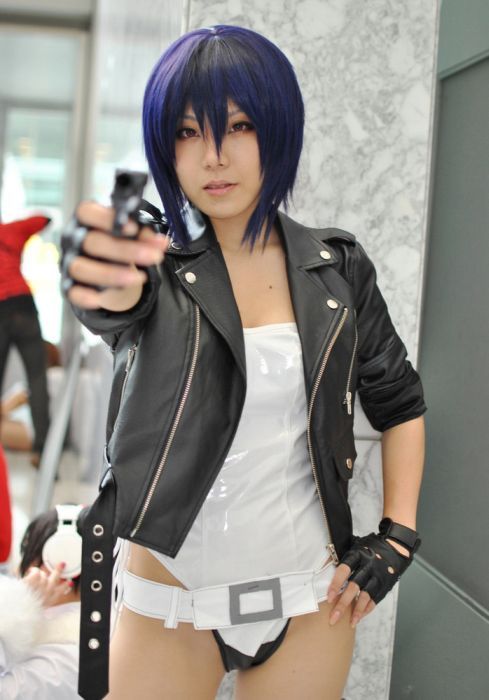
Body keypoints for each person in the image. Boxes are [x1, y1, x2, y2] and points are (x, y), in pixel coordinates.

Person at [61, 25, 426, 700]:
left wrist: (397, 536)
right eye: (187, 132)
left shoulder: (338, 267)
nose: (214, 156)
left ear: (277, 129)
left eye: (239, 126)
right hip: (169, 607)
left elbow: (399, 402)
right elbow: (112, 302)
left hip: (308, 599)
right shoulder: (156, 271)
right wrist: (98, 269)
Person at [0, 504, 85, 699]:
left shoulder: (63, 660)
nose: (17, 569)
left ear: (58, 564)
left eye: (28, 552)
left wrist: (18, 602)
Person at [0, 214, 52, 466]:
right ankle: (43, 453)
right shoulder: (13, 230)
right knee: (37, 378)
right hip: (23, 307)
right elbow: (44, 219)